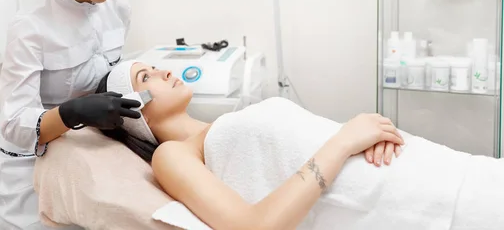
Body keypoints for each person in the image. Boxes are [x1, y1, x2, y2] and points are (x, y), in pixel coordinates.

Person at [98, 59, 504, 230]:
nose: (163, 71)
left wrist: (373, 131)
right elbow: (254, 228)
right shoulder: (175, 155)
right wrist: (345, 141)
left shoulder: (229, 118)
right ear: (133, 111)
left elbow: (309, 139)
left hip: (410, 166)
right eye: (145, 77)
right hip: (396, 202)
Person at [0, 0, 142, 230]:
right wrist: (73, 113)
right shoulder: (31, 27)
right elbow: (13, 123)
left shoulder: (118, 7)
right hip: (28, 167)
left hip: (85, 151)